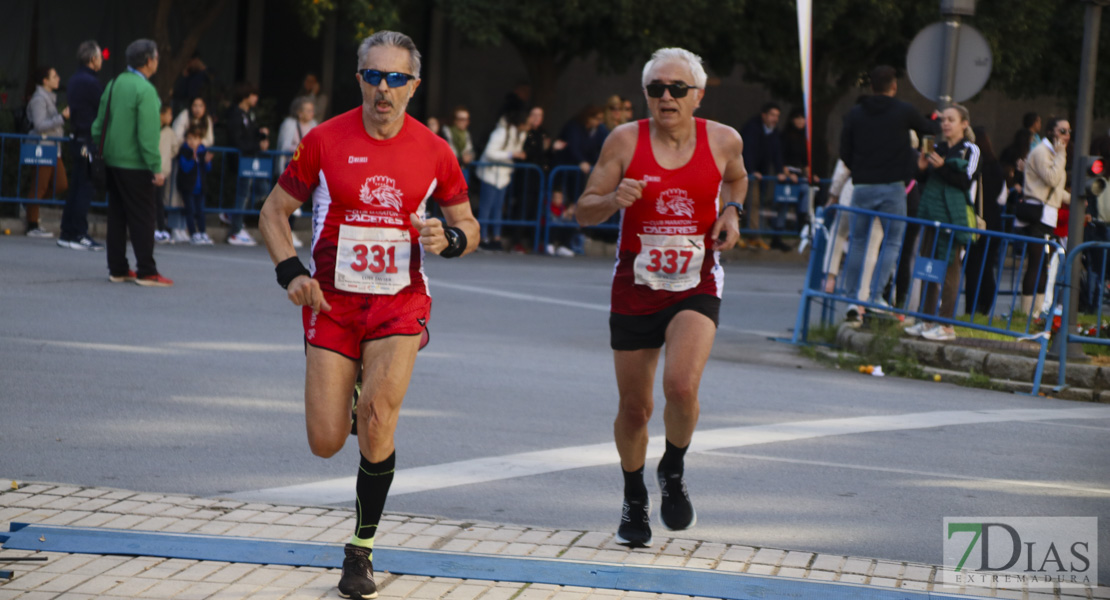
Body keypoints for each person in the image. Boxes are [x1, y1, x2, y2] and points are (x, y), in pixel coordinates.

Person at [257, 30, 479, 599]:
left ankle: (361, 549)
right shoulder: (325, 141)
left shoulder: (435, 150)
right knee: (327, 441)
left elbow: (470, 227)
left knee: (378, 419)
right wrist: (293, 272)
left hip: (399, 304)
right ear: (358, 78)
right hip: (332, 303)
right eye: (374, 76)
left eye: (397, 78)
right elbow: (273, 212)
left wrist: (448, 236)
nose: (384, 89)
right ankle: (350, 392)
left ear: (414, 86)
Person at [575, 47, 744, 548]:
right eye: (655, 89)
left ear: (698, 95)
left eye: (676, 89)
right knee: (634, 408)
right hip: (636, 287)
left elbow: (736, 176)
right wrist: (612, 200)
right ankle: (634, 496)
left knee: (682, 388)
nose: (666, 98)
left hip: (696, 282)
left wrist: (731, 212)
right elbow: (584, 210)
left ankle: (672, 467)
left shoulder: (723, 139)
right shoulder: (625, 141)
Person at [838, 65, 935, 317]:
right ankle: (875, 297)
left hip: (863, 187)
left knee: (857, 242)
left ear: (871, 87)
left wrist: (859, 170)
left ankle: (851, 298)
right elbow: (928, 128)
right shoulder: (904, 111)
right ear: (894, 86)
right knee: (892, 242)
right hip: (893, 187)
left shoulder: (856, 113)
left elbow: (844, 151)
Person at [91, 38, 173, 287]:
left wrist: (104, 149)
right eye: (156, 57)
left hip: (112, 160)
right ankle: (147, 270)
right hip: (136, 164)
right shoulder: (145, 90)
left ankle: (118, 268)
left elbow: (98, 125)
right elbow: (148, 134)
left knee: (117, 215)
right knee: (143, 217)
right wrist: (155, 167)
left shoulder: (114, 83)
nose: (157, 61)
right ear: (148, 61)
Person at [903, 104, 980, 341]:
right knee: (927, 267)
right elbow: (924, 179)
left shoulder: (970, 149)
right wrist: (922, 169)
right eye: (943, 120)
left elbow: (966, 181)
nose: (945, 124)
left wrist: (942, 166)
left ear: (964, 124)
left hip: (952, 217)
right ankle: (926, 320)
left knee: (949, 269)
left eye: (951, 119)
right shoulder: (937, 147)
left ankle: (946, 325)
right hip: (931, 213)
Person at [1015, 116, 1071, 317]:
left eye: (1068, 132)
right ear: (1050, 132)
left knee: (1044, 265)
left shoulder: (1054, 153)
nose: (1066, 136)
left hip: (1048, 215)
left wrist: (1073, 200)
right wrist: (1061, 155)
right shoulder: (1042, 153)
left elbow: (1055, 188)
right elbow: (1052, 178)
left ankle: (1036, 313)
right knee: (1037, 263)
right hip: (1038, 213)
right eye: (1062, 131)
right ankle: (1027, 313)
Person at [59, 40, 105, 250]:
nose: (101, 61)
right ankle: (79, 233)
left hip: (76, 137)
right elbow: (103, 109)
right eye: (99, 57)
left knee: (76, 187)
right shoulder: (91, 82)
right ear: (93, 59)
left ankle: (67, 232)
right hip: (89, 139)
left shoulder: (75, 79)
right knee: (85, 188)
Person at [963, 126, 1007, 315]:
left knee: (972, 267)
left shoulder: (975, 166)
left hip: (976, 220)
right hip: (994, 221)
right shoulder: (995, 166)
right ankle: (984, 307)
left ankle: (971, 308)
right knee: (987, 267)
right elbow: (1002, 197)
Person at [25, 65, 70, 238]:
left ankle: (29, 205)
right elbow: (39, 125)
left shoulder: (50, 97)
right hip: (41, 148)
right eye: (54, 76)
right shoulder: (39, 99)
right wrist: (62, 118)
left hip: (53, 148)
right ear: (45, 80)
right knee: (40, 185)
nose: (58, 78)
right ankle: (32, 224)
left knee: (61, 184)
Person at [476, 109, 529, 250]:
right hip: (491, 174)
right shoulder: (501, 132)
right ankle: (482, 237)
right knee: (486, 207)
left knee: (498, 208)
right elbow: (490, 152)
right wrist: (511, 154)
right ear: (521, 123)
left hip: (503, 175)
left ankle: (496, 237)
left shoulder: (520, 134)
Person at [225, 82, 270, 246]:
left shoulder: (248, 114)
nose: (256, 98)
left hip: (251, 160)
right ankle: (235, 230)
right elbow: (238, 141)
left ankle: (234, 214)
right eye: (253, 95)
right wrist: (257, 145)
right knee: (243, 193)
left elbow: (250, 134)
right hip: (242, 160)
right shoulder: (236, 114)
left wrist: (260, 135)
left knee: (262, 189)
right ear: (245, 96)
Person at [739, 102, 786, 250]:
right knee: (738, 203)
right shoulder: (752, 128)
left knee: (754, 204)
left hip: (758, 174)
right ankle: (737, 234)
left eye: (777, 116)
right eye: (772, 115)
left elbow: (776, 153)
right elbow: (747, 151)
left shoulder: (773, 131)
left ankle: (753, 236)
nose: (775, 119)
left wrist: (780, 171)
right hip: (743, 173)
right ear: (764, 115)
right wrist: (751, 170)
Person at [277, 96, 318, 248]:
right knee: (289, 200)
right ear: (299, 112)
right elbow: (283, 146)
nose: (311, 113)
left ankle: (289, 230)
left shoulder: (314, 125)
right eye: (307, 110)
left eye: (312, 110)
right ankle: (287, 232)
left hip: (309, 167)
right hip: (292, 166)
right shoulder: (289, 124)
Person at [177, 124, 214, 245]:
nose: (191, 142)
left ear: (200, 140)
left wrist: (207, 161)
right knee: (190, 210)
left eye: (195, 139)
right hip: (188, 187)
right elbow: (185, 168)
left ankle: (202, 232)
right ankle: (193, 233)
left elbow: (207, 169)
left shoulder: (202, 151)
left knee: (201, 210)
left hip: (200, 187)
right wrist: (192, 159)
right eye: (189, 139)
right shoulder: (184, 151)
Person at [155, 105, 178, 244]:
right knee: (152, 200)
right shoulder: (153, 128)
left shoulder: (169, 131)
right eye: (169, 114)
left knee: (159, 200)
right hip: (151, 169)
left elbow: (175, 148)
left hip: (163, 171)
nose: (171, 117)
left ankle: (160, 228)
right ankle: (155, 228)